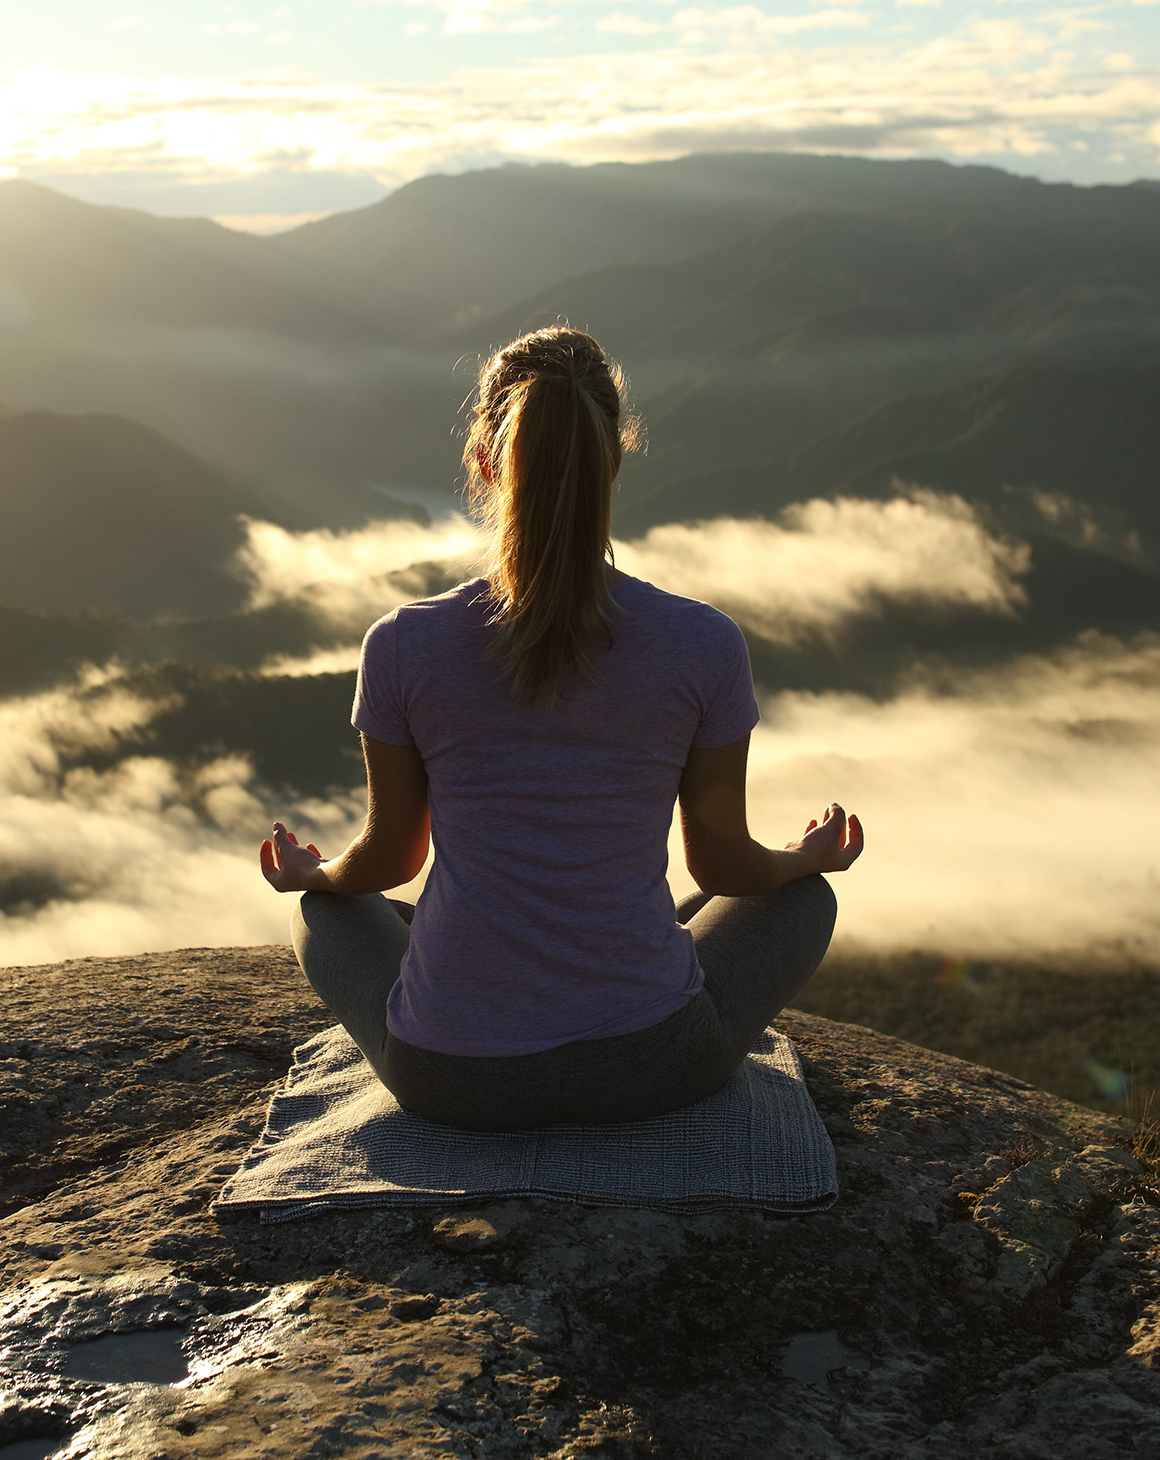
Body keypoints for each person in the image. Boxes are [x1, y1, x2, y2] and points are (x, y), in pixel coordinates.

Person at [257, 325, 861, 1131]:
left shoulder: (403, 643)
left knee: (322, 910)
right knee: (803, 901)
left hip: (447, 1080)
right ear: (613, 459)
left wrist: (315, 872)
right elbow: (720, 862)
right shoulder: (701, 642)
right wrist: (800, 858)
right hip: (654, 1067)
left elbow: (392, 859)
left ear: (483, 465)